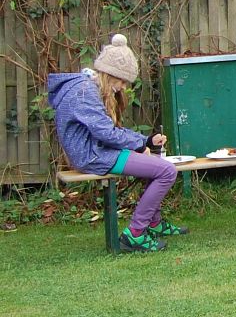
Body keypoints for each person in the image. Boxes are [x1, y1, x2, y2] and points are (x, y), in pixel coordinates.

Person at [47, 34, 184, 253]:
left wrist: (145, 141)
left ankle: (154, 223)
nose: (122, 87)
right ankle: (135, 234)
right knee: (167, 171)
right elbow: (107, 133)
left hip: (97, 152)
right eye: (121, 81)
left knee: (157, 163)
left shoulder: (86, 87)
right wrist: (141, 143)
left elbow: (107, 130)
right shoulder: (84, 93)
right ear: (109, 74)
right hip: (94, 157)